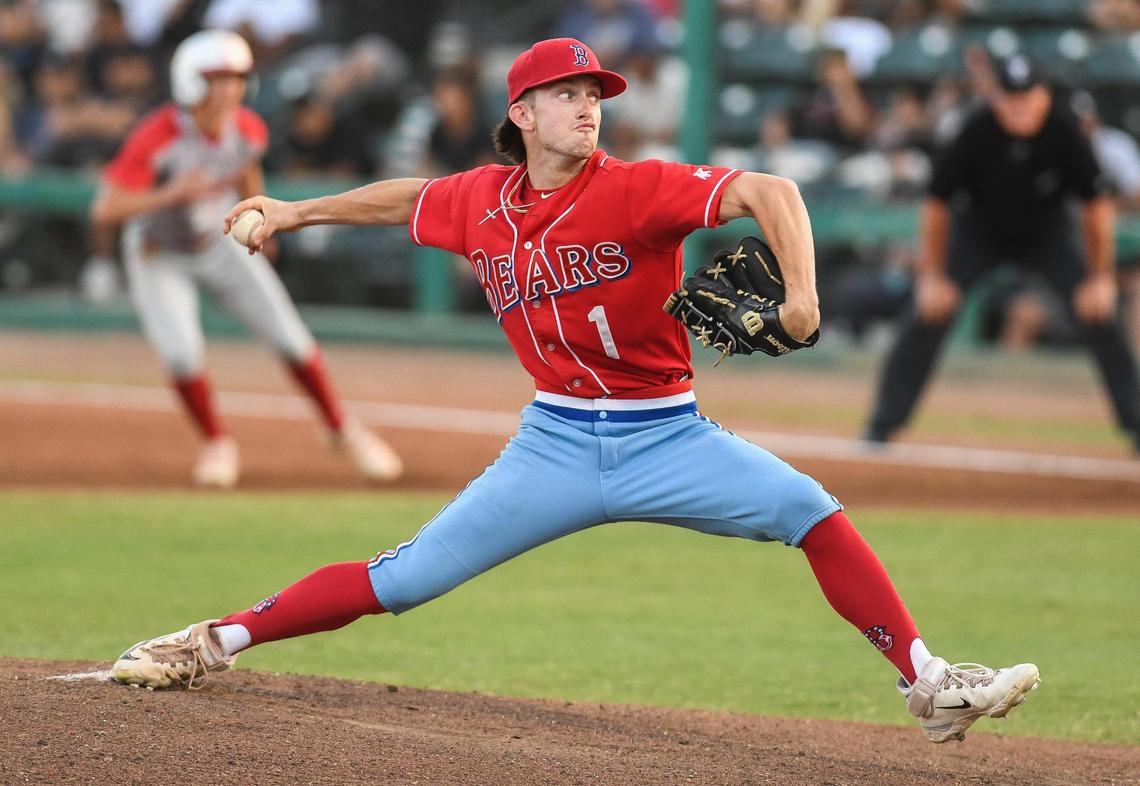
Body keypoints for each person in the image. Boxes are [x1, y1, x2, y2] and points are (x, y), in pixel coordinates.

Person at [110, 37, 1039, 744]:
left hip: (668, 436)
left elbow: (775, 190)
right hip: (552, 445)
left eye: (594, 93)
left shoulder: (639, 190)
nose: (587, 106)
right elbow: (408, 198)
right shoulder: (481, 199)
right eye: (565, 94)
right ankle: (211, 641)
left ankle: (928, 682)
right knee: (405, 580)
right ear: (521, 112)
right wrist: (297, 210)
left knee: (809, 509)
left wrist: (801, 298)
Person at [89, 30, 402, 488]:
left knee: (292, 339)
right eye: (218, 79)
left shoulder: (248, 128)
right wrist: (169, 194)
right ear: (190, 81)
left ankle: (341, 428)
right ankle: (217, 443)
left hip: (216, 240)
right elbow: (105, 209)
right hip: (159, 253)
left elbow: (246, 172)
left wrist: (261, 219)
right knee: (181, 355)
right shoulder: (157, 135)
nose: (230, 89)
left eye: (236, 78)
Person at [864, 55, 1140, 453]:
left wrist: (1100, 276)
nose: (1019, 106)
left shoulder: (1064, 129)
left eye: (1028, 97)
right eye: (1010, 98)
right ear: (996, 97)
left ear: (1044, 96)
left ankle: (1135, 423)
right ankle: (882, 425)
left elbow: (1096, 207)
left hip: (1048, 234)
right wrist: (932, 275)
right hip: (979, 231)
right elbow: (937, 203)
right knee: (927, 313)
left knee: (1100, 314)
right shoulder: (976, 128)